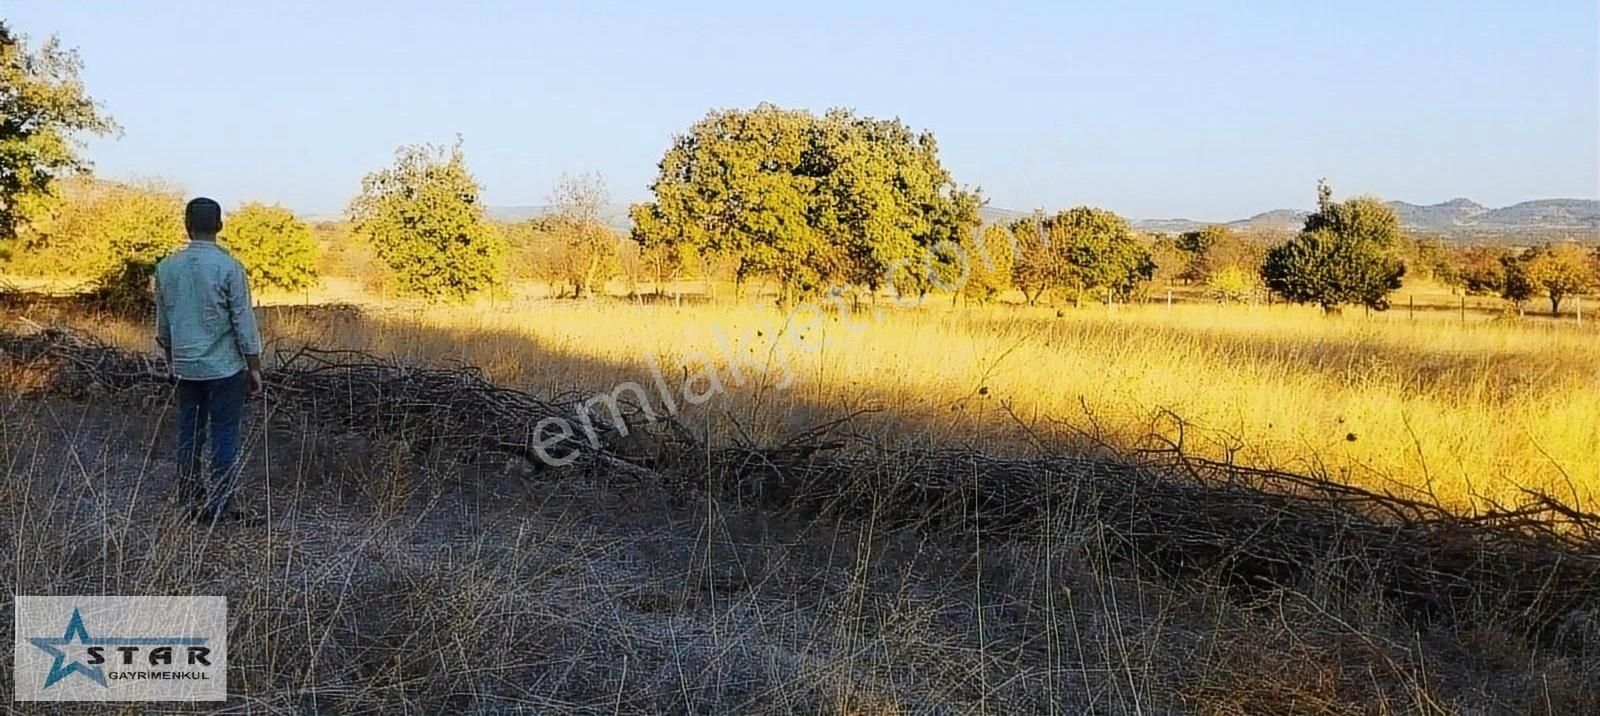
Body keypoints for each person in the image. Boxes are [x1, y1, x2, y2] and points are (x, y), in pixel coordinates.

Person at [154, 197, 264, 524]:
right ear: (219, 225)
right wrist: (254, 367)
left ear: (187, 225)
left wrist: (173, 360)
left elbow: (163, 326)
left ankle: (189, 501)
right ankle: (221, 505)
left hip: (187, 367)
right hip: (224, 368)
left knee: (190, 433)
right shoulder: (229, 267)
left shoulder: (166, 268)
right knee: (224, 435)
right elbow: (244, 322)